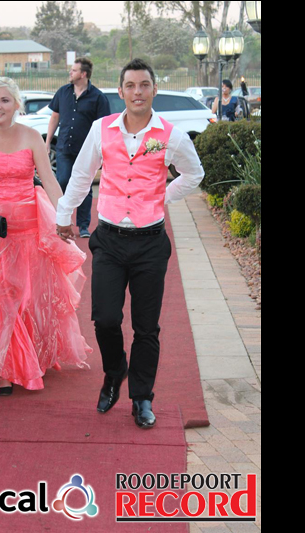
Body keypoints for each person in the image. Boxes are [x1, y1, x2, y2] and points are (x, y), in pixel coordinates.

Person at [55, 59, 204, 429]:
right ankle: (114, 370)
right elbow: (82, 174)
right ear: (120, 91)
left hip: (150, 243)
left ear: (154, 89)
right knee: (105, 319)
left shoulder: (171, 135)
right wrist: (64, 213)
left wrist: (164, 196)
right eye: (131, 85)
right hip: (109, 239)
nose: (138, 92)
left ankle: (141, 398)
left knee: (146, 327)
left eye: (145, 85)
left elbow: (194, 173)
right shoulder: (101, 129)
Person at [0, 77, 92, 397]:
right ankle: (2, 370)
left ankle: (28, 358)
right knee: (0, 296)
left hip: (30, 230)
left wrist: (63, 217)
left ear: (16, 104)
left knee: (28, 298)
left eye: (5, 100)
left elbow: (48, 180)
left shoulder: (31, 136)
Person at [46, 57, 111, 239]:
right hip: (64, 147)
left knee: (85, 187)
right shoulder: (63, 92)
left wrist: (103, 150)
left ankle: (83, 226)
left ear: (83, 74)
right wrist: (47, 141)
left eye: (74, 70)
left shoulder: (98, 97)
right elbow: (55, 117)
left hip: (87, 151)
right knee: (62, 181)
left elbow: (103, 126)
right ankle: (60, 220)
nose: (70, 72)